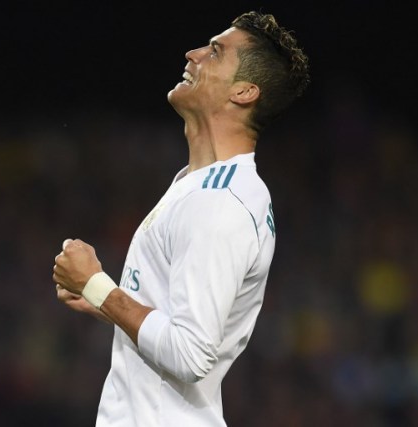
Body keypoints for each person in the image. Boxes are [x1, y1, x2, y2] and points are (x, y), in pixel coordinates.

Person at [52, 10, 310, 427]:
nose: (192, 54)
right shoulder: (200, 183)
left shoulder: (220, 201)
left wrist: (98, 287)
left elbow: (190, 355)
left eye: (215, 51)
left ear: (244, 91)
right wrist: (101, 300)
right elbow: (177, 322)